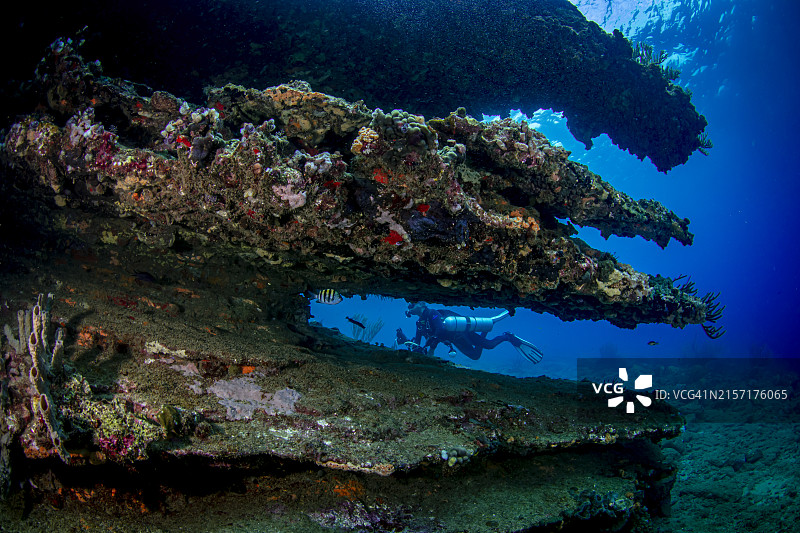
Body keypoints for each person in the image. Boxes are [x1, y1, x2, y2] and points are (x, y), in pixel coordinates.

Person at [396, 302, 543, 363]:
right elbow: (418, 342)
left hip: (460, 333)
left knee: (488, 346)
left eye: (412, 303)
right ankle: (486, 331)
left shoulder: (433, 313)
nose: (409, 305)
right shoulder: (420, 323)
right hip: (454, 338)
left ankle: (507, 336)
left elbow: (440, 329)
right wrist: (405, 340)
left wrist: (432, 346)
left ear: (421, 305)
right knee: (476, 355)